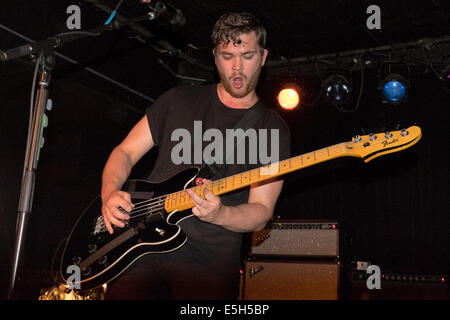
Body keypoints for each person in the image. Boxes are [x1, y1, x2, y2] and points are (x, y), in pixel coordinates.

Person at [101, 12, 291, 300]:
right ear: (215, 57)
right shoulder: (177, 100)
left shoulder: (271, 127)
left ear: (263, 57)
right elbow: (125, 152)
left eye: (248, 56)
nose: (237, 68)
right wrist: (109, 192)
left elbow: (261, 212)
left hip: (209, 263)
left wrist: (221, 213)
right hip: (141, 249)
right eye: (228, 56)